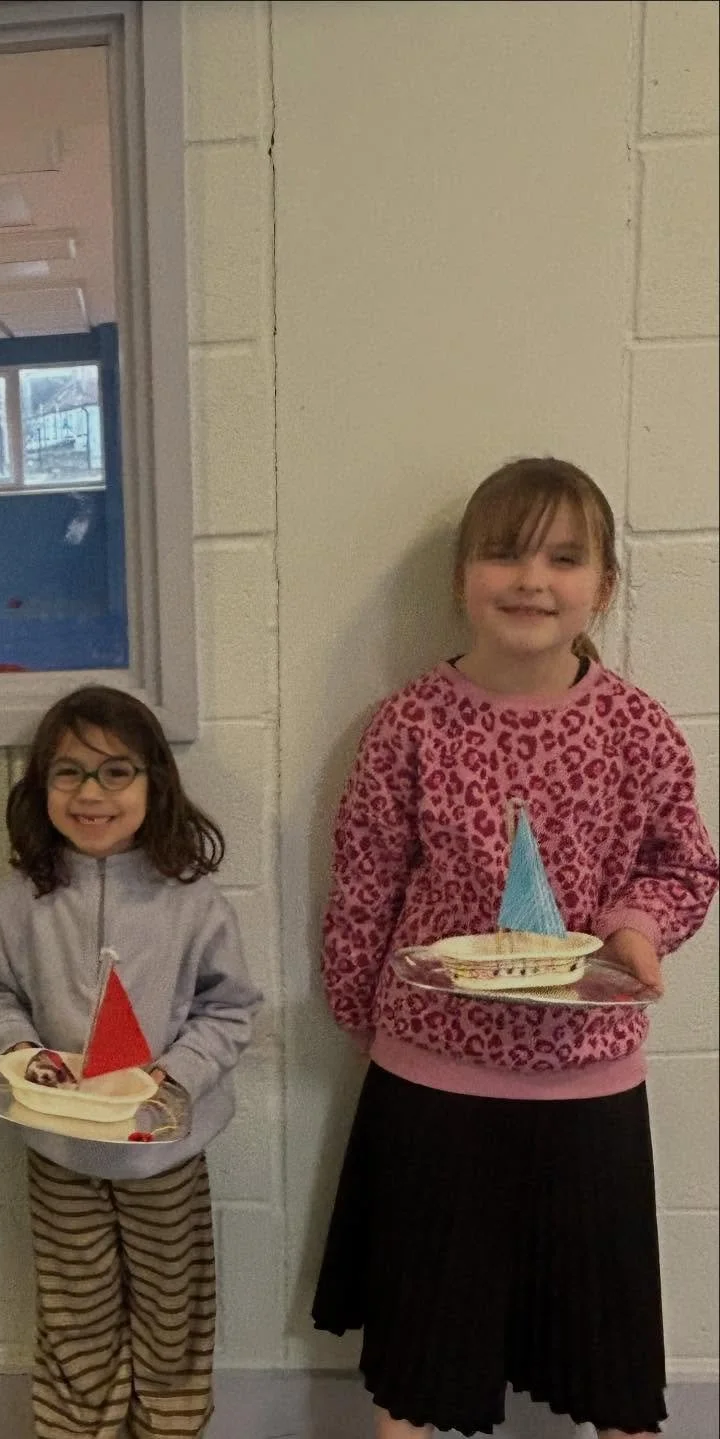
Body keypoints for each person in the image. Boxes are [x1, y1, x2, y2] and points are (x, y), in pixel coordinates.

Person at [311, 458, 719, 1439]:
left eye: (564, 558)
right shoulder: (407, 724)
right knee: (418, 1355)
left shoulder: (639, 728)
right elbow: (363, 881)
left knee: (609, 1353)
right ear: (463, 576)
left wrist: (636, 928)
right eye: (504, 552)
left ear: (603, 586)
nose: (532, 578)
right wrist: (366, 1019)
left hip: (588, 1079)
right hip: (430, 1077)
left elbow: (684, 864)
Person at [0, 686, 262, 1439]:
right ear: (41, 785)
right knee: (75, 1322)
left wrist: (174, 1076)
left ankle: (169, 1429)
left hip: (163, 1153)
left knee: (173, 1320)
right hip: (59, 1154)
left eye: (115, 771)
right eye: (68, 772)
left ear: (154, 781)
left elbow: (230, 1007)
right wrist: (21, 1051)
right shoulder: (17, 899)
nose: (91, 793)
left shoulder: (193, 901)